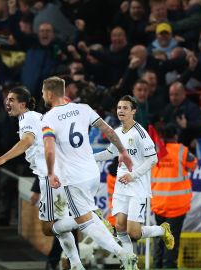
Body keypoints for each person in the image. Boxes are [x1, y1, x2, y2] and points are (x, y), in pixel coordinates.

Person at [40, 76, 138, 269]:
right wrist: (123, 151)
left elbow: (49, 149)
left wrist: (51, 173)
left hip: (73, 177)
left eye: (43, 92)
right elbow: (110, 131)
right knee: (60, 224)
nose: (42, 95)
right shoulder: (83, 108)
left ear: (50, 93)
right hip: (92, 173)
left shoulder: (48, 118)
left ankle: (122, 253)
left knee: (84, 222)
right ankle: (77, 264)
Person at [0, 87, 84, 270]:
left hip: (52, 176)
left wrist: (2, 158)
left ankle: (88, 219)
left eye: (12, 100)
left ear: (22, 104)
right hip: (59, 173)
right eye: (7, 99)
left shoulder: (28, 118)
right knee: (61, 226)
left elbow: (28, 141)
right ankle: (76, 264)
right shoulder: (37, 117)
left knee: (48, 228)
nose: (7, 103)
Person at [94, 95, 175, 256]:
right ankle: (129, 262)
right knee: (119, 227)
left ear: (133, 111)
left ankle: (161, 229)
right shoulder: (116, 132)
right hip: (121, 185)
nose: (121, 111)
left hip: (137, 186)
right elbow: (110, 152)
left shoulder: (140, 133)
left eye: (125, 108)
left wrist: (133, 175)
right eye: (119, 108)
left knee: (134, 232)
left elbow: (153, 159)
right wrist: (89, 157)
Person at [151, 123, 197, 269]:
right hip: (176, 206)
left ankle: (157, 265)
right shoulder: (181, 150)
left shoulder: (154, 151)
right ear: (176, 136)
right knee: (171, 240)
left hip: (158, 204)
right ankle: (169, 266)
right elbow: (194, 165)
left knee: (159, 239)